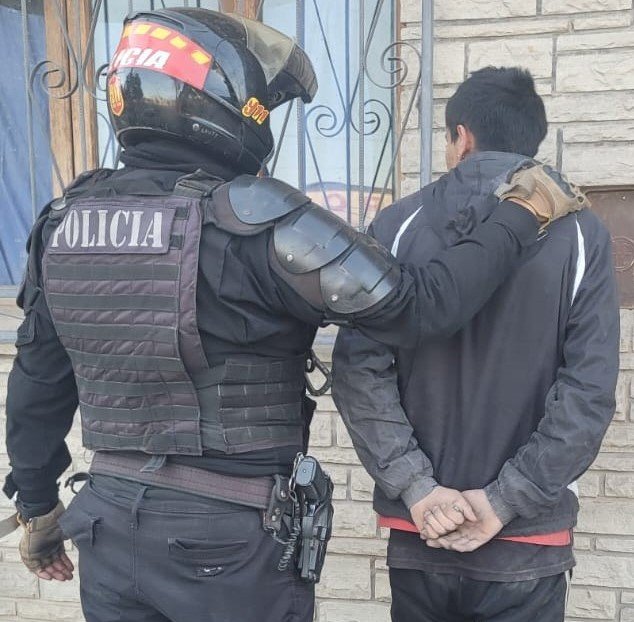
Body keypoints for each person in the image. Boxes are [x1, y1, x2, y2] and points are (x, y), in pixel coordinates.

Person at [2, 10, 582, 620]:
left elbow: (37, 382)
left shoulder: (64, 222)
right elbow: (421, 308)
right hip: (227, 540)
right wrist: (523, 210)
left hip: (109, 526)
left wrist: (37, 509)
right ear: (223, 101)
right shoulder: (259, 219)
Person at [332, 66, 619, 622]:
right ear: (530, 140)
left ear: (461, 137)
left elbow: (360, 369)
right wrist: (505, 499)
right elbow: (588, 391)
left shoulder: (397, 225)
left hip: (423, 530)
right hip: (526, 544)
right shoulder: (582, 235)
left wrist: (418, 487)